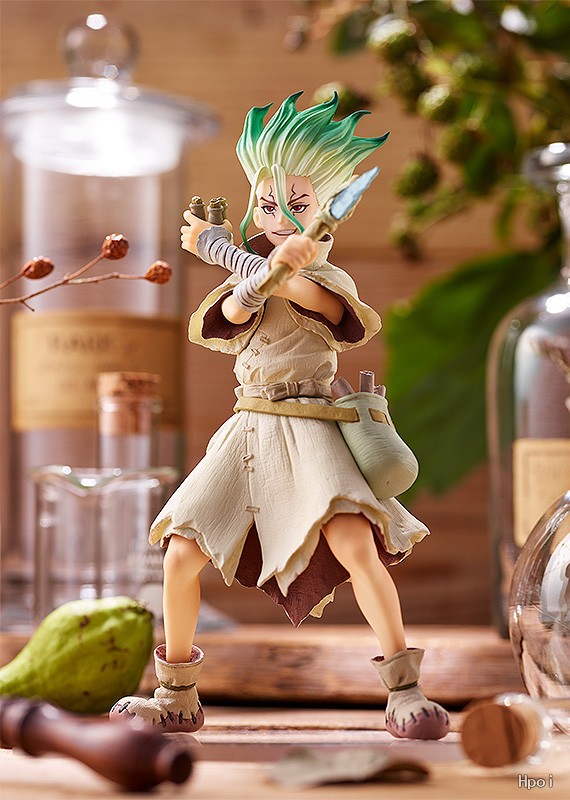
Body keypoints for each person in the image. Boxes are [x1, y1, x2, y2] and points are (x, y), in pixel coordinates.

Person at [110, 92, 449, 740]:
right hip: (247, 432)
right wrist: (238, 263)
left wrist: (243, 257)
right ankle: (177, 693)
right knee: (180, 553)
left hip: (312, 431)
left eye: (298, 205)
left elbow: (307, 294)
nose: (280, 218)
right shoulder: (252, 274)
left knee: (356, 546)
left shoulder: (328, 280)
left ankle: (405, 689)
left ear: (328, 209)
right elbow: (234, 311)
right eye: (268, 205)